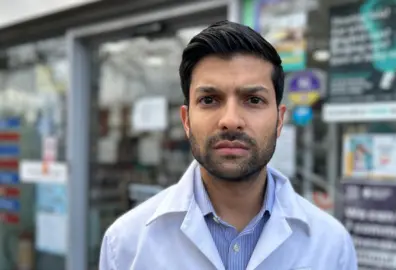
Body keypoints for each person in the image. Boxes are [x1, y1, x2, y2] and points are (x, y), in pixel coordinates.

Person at [99, 20, 357, 270]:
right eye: (209, 100)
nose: (231, 121)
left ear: (279, 120)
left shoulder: (331, 246)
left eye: (254, 100)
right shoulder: (125, 245)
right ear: (186, 120)